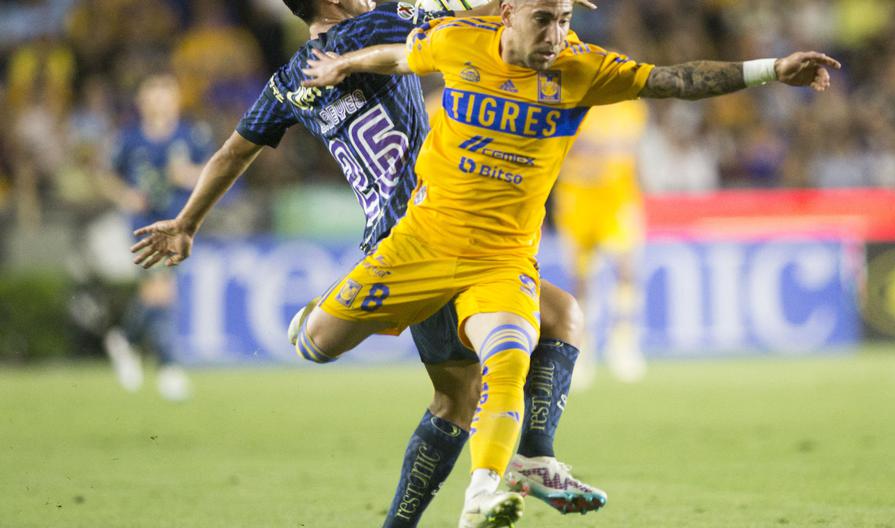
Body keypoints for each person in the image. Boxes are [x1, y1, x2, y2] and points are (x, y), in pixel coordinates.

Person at [291, 1, 839, 526]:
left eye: (565, 20)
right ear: (506, 14)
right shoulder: (460, 40)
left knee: (508, 355)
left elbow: (676, 80)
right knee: (316, 345)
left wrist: (771, 70)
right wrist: (342, 63)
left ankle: (483, 497)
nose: (556, 36)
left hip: (501, 260)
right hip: (420, 244)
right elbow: (401, 54)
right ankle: (324, 314)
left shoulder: (584, 68)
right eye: (544, 20)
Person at [130, 1, 604, 526]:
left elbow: (232, 154)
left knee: (545, 328)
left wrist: (187, 223)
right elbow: (480, 13)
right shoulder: (378, 25)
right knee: (461, 398)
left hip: (402, 229)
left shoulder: (289, 80)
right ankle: (504, 470)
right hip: (430, 231)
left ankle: (532, 458)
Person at [103, 72, 212, 402]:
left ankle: (124, 338)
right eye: (154, 94)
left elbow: (214, 173)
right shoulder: (130, 139)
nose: (161, 101)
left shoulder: (191, 135)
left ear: (177, 99)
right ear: (142, 101)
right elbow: (106, 175)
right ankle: (168, 369)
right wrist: (124, 195)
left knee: (158, 293)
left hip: (179, 224)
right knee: (161, 292)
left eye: (166, 94)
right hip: (143, 224)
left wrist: (187, 175)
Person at [552, 100, 649, 388]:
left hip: (617, 200)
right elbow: (556, 152)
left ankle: (624, 343)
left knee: (626, 269)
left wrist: (641, 194)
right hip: (578, 199)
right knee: (581, 281)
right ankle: (583, 350)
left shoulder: (632, 109)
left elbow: (635, 155)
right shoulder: (573, 104)